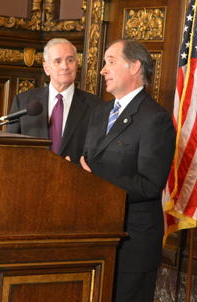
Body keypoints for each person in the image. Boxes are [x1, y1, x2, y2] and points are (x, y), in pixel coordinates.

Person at [79, 40, 176, 302]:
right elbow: (90, 162)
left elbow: (149, 184)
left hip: (132, 244)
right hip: (95, 235)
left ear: (134, 67)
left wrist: (93, 180)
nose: (102, 70)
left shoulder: (155, 119)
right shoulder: (100, 112)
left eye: (110, 61)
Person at [6, 38, 103, 163]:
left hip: (75, 179)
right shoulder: (24, 101)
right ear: (46, 68)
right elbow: (10, 148)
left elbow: (97, 154)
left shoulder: (96, 106)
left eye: (70, 60)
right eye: (58, 61)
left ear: (77, 64)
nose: (65, 66)